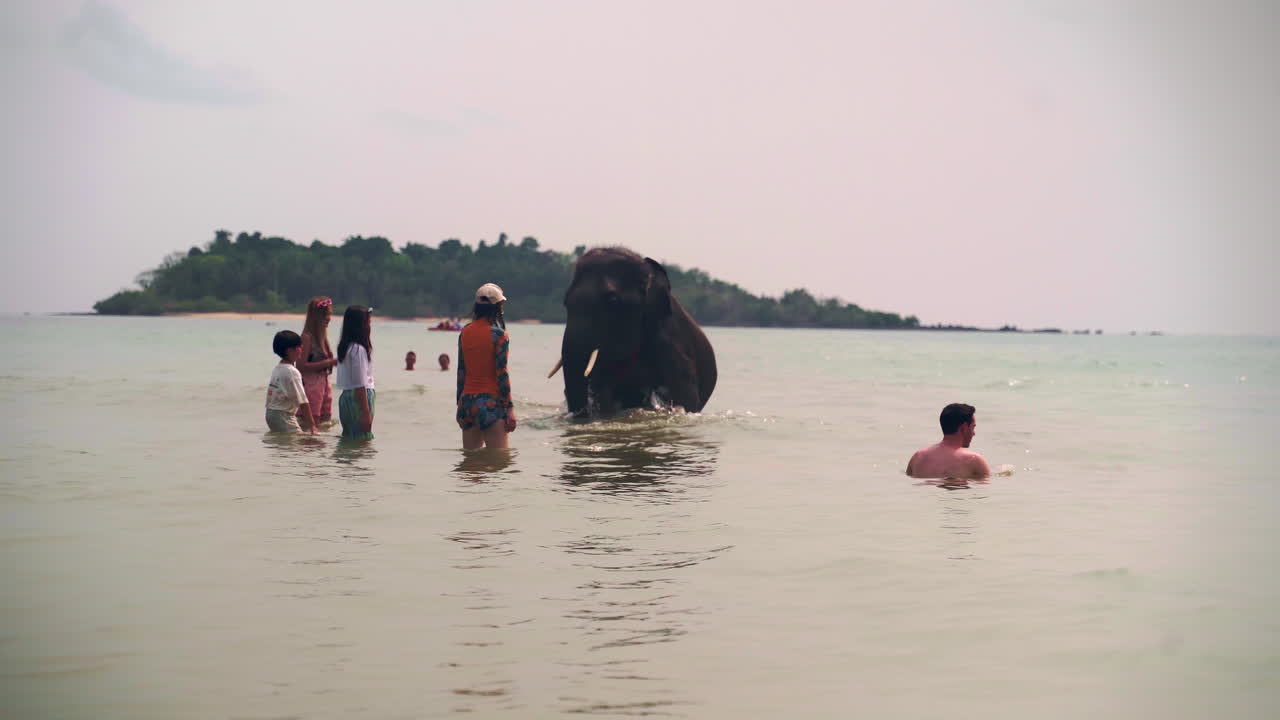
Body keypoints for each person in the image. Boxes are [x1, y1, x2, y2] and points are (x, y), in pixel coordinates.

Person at [456, 283, 517, 449]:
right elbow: (501, 373)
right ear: (498, 307)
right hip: (490, 404)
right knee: (499, 463)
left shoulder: (465, 332)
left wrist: (459, 405)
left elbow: (461, 371)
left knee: (470, 465)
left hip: (467, 403)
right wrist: (510, 409)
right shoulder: (499, 335)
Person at [906, 403, 991, 479]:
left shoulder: (917, 457)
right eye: (973, 427)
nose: (974, 433)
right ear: (964, 428)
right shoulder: (973, 460)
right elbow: (986, 488)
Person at [335, 305, 375, 439]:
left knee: (350, 439)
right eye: (368, 323)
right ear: (360, 326)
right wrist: (365, 413)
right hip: (358, 400)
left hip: (347, 398)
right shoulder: (358, 350)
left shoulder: (346, 347)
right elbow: (359, 384)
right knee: (362, 440)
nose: (370, 327)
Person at [266, 330, 316, 434]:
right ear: (290, 351)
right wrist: (312, 426)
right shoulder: (292, 371)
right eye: (299, 347)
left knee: (284, 444)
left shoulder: (277, 368)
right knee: (297, 443)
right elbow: (303, 402)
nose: (302, 349)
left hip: (270, 414)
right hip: (282, 415)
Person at [297, 297, 337, 426]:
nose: (329, 318)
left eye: (330, 314)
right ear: (317, 318)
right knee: (312, 423)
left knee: (326, 422)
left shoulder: (322, 337)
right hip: (311, 385)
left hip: (324, 384)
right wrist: (330, 362)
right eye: (327, 314)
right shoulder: (307, 337)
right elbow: (301, 366)